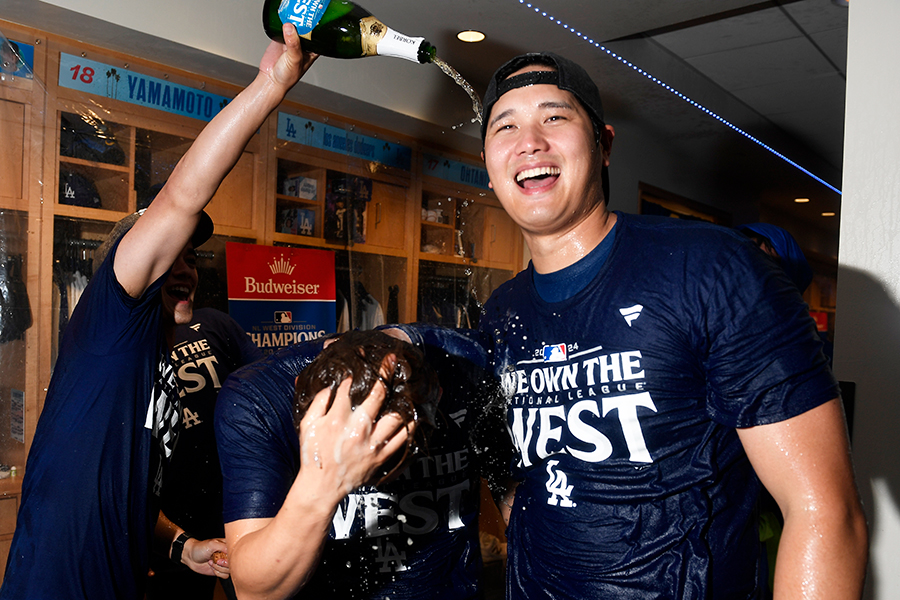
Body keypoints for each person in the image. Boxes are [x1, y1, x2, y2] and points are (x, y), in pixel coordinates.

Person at [476, 51, 868, 599]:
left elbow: (824, 511)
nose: (530, 141)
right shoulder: (501, 313)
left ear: (604, 144)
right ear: (489, 158)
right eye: (506, 125)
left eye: (555, 117)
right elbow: (515, 471)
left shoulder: (711, 268)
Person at [0, 24, 318, 599]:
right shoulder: (108, 323)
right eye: (171, 254)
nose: (185, 266)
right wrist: (270, 86)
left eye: (193, 257)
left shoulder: (154, 366)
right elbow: (181, 197)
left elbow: (125, 491)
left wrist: (181, 546)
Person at [215, 325, 509, 600]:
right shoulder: (258, 397)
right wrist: (324, 481)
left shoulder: (469, 363)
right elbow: (253, 590)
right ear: (299, 394)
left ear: (438, 396)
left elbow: (514, 492)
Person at [147, 308, 263, 600]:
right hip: (171, 523)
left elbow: (266, 384)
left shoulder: (213, 323)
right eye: (175, 263)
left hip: (237, 509)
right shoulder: (127, 346)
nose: (185, 271)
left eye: (192, 260)